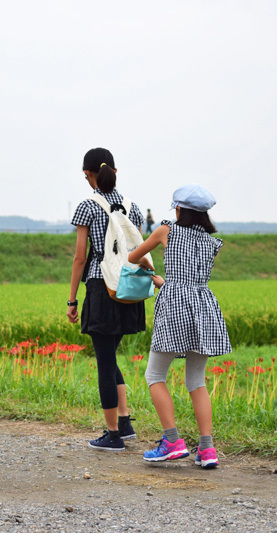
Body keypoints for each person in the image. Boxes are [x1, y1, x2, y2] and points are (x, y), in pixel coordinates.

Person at [128, 184, 232, 468]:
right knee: (197, 380)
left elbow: (133, 257)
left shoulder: (166, 231)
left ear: (178, 209)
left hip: (174, 305)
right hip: (204, 305)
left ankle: (172, 441)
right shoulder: (213, 243)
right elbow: (190, 276)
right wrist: (171, 280)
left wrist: (159, 277)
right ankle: (207, 450)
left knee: (155, 374)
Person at [67, 147, 146, 452]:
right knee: (110, 355)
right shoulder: (133, 207)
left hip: (101, 289)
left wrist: (72, 300)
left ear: (89, 174)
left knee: (104, 361)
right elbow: (138, 251)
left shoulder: (87, 206)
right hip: (127, 290)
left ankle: (112, 435)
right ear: (114, 171)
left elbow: (79, 258)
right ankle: (124, 424)